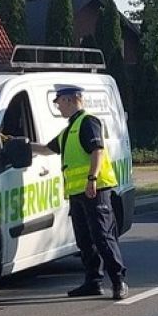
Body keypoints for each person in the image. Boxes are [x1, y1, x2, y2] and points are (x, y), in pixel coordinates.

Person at [29, 86, 128, 300]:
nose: (57, 106)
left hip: (95, 189)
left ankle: (118, 281)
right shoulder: (69, 129)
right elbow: (47, 149)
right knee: (84, 240)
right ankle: (93, 282)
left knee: (102, 237)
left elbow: (97, 150)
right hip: (77, 193)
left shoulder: (88, 122)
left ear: (71, 100)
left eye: (59, 102)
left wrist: (92, 178)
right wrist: (22, 145)